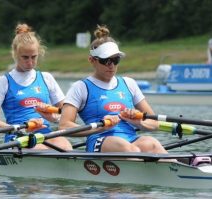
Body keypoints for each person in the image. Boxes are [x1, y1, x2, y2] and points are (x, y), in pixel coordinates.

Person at [59, 25, 168, 154]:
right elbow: (64, 126)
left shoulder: (129, 83)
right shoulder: (80, 87)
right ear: (92, 60)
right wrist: (100, 127)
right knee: (126, 148)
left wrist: (139, 122)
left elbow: (154, 123)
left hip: (131, 139)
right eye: (106, 61)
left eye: (115, 60)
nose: (111, 65)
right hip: (100, 140)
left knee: (152, 143)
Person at [0, 23, 72, 151]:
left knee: (65, 145)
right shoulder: (3, 81)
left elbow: (65, 112)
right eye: (25, 57)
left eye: (34, 57)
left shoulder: (46, 78)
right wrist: (21, 128)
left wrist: (52, 116)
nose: (30, 62)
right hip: (18, 137)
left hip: (44, 134)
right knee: (47, 148)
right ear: (15, 54)